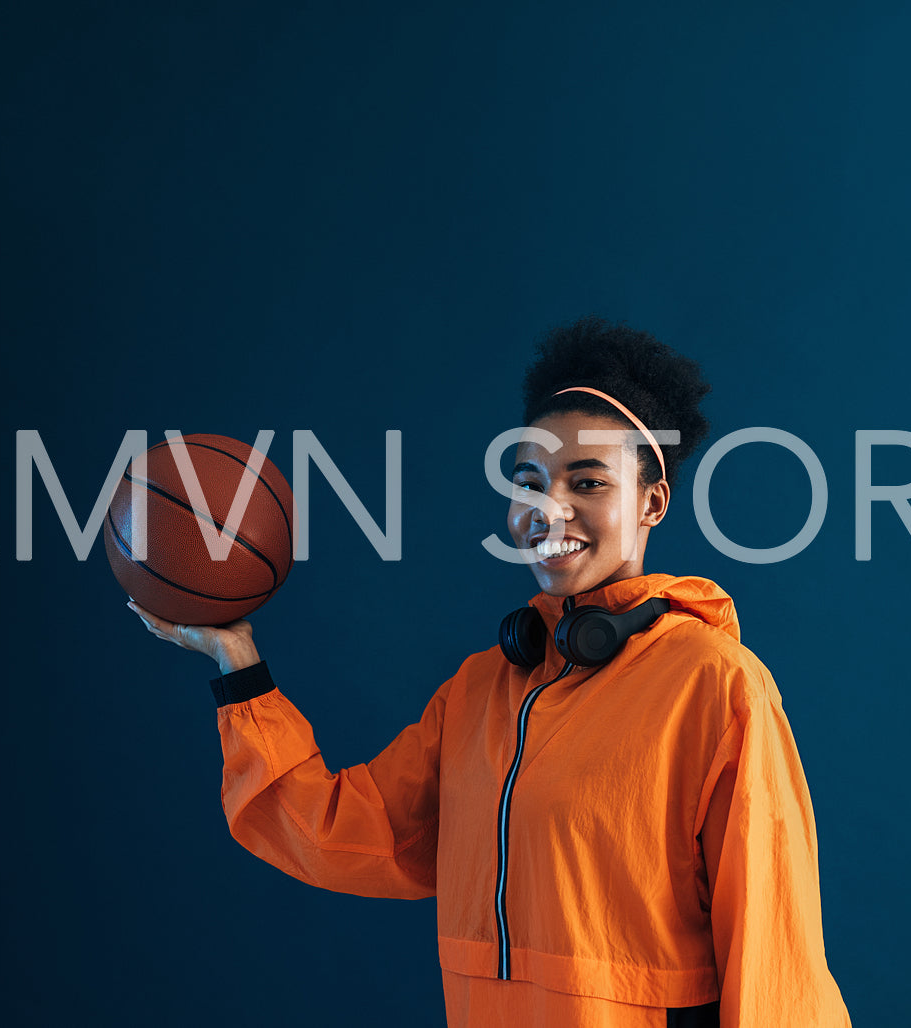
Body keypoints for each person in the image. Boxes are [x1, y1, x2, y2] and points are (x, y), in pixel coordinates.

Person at [130, 316, 851, 1027]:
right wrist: (238, 665)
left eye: (588, 481)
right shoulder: (480, 690)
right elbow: (341, 835)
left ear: (651, 503)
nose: (548, 507)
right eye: (528, 479)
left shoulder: (713, 682)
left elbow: (774, 951)